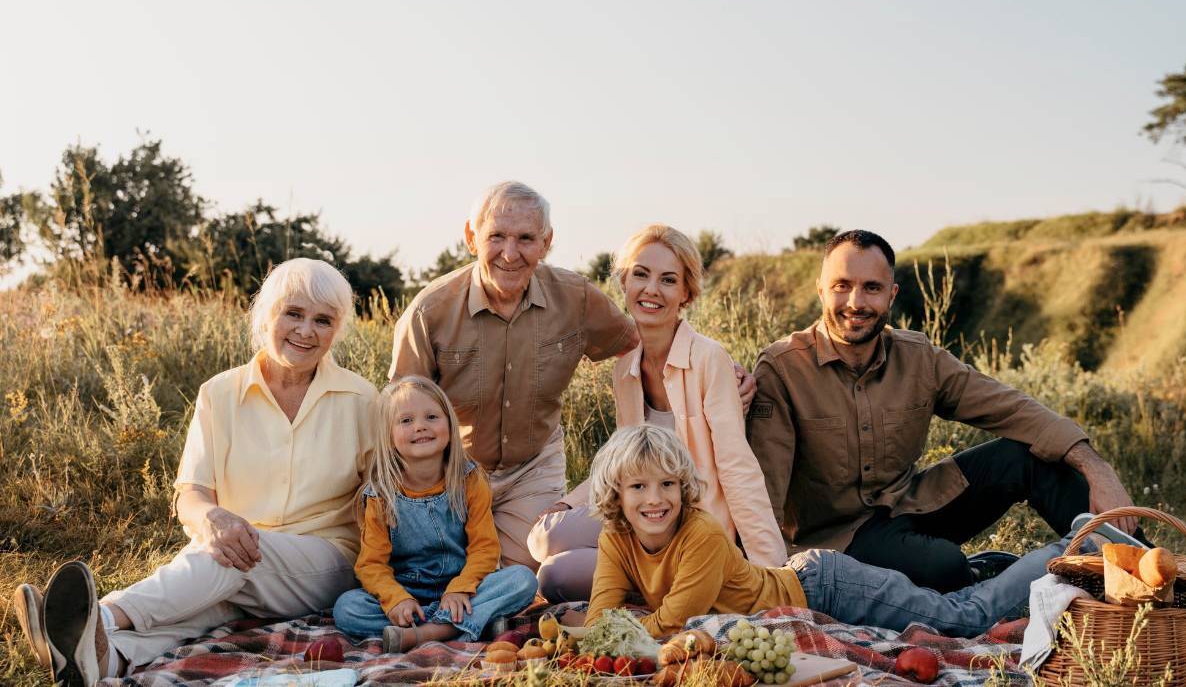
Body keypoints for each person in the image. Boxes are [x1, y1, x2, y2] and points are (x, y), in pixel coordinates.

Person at [14, 258, 379, 685]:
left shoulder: (362, 400)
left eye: (323, 320)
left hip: (323, 561)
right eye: (293, 313)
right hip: (227, 557)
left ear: (337, 330)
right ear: (267, 315)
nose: (305, 330)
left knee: (232, 557)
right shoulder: (219, 393)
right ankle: (104, 658)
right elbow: (191, 493)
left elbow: (385, 496)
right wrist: (212, 517)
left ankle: (103, 617)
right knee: (207, 598)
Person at [746, 229, 1137, 593]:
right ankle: (982, 577)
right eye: (841, 286)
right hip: (840, 539)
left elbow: (1012, 409)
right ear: (820, 291)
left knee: (1027, 457)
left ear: (892, 295)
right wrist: (774, 586)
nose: (856, 302)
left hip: (910, 504)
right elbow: (764, 492)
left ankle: (1146, 573)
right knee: (943, 566)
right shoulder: (783, 369)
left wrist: (1096, 467)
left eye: (871, 288)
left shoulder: (920, 358)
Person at [389, 182, 755, 569]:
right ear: (471, 237)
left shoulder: (575, 297)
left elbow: (642, 339)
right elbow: (396, 417)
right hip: (453, 469)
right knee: (437, 570)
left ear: (546, 242)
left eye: (526, 238)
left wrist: (721, 374)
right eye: (496, 236)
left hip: (532, 468)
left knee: (522, 571)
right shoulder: (429, 311)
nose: (510, 254)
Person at [584, 425, 1138, 639]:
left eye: (665, 485)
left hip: (825, 586)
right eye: (637, 489)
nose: (653, 500)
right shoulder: (615, 538)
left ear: (683, 487)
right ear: (617, 496)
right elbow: (599, 614)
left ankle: (1081, 543)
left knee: (963, 620)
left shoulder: (700, 534)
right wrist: (604, 626)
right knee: (953, 605)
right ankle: (1000, 565)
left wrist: (621, 626)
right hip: (810, 582)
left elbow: (671, 622)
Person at [528, 224, 784, 602]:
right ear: (625, 282)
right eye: (641, 275)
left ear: (686, 292)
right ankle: (651, 585)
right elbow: (622, 461)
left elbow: (736, 467)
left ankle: (683, 582)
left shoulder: (709, 359)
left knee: (556, 564)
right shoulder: (625, 367)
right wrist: (568, 503)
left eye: (668, 280)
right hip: (640, 517)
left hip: (690, 529)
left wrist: (771, 578)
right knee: (549, 559)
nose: (651, 290)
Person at [333, 376, 537, 651]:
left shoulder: (469, 479)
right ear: (389, 436)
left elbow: (484, 548)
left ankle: (424, 633)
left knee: (523, 580)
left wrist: (460, 588)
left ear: (450, 426)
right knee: (347, 608)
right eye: (406, 421)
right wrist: (396, 600)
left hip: (465, 587)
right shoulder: (380, 494)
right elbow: (371, 565)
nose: (420, 427)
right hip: (409, 594)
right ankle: (470, 624)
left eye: (431, 417)